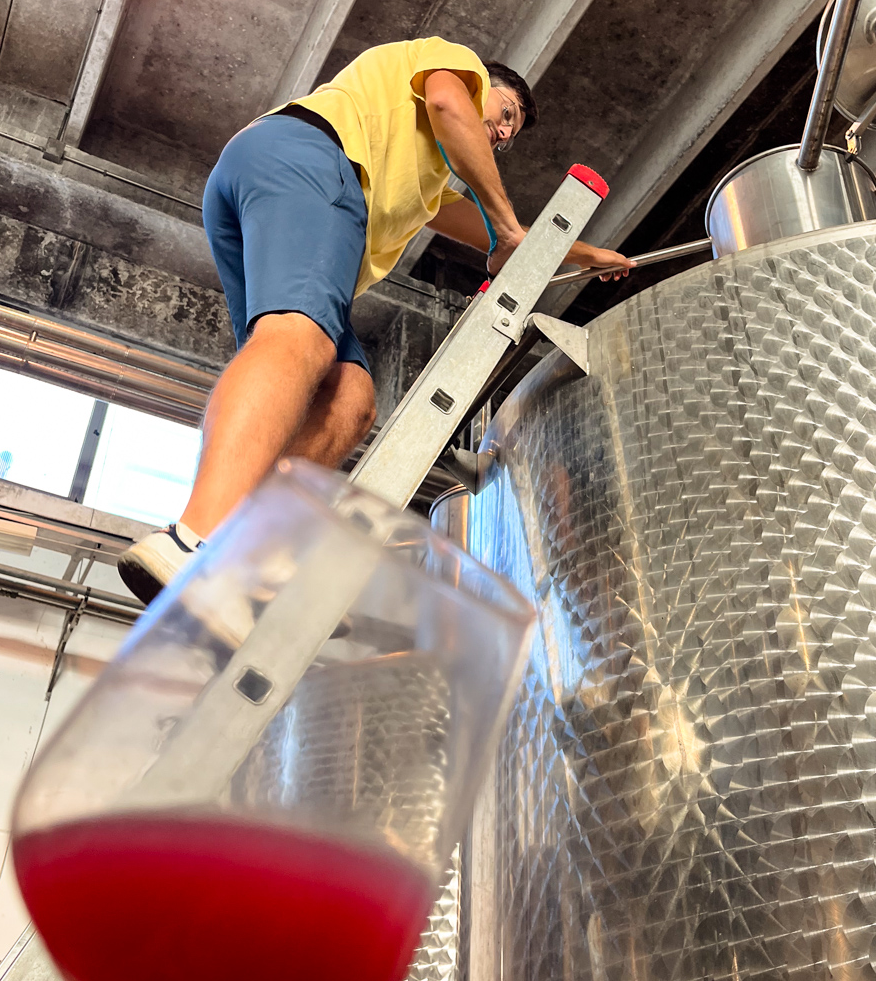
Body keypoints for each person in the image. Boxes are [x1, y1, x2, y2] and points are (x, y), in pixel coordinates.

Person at [117, 37, 631, 605]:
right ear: (483, 84)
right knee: (298, 340)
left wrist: (584, 254)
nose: (505, 133)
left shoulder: (425, 175)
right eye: (506, 114)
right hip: (314, 161)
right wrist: (507, 227)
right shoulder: (453, 68)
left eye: (509, 134)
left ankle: (245, 554)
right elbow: (449, 107)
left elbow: (493, 228)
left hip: (267, 176)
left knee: (348, 399)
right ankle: (194, 537)